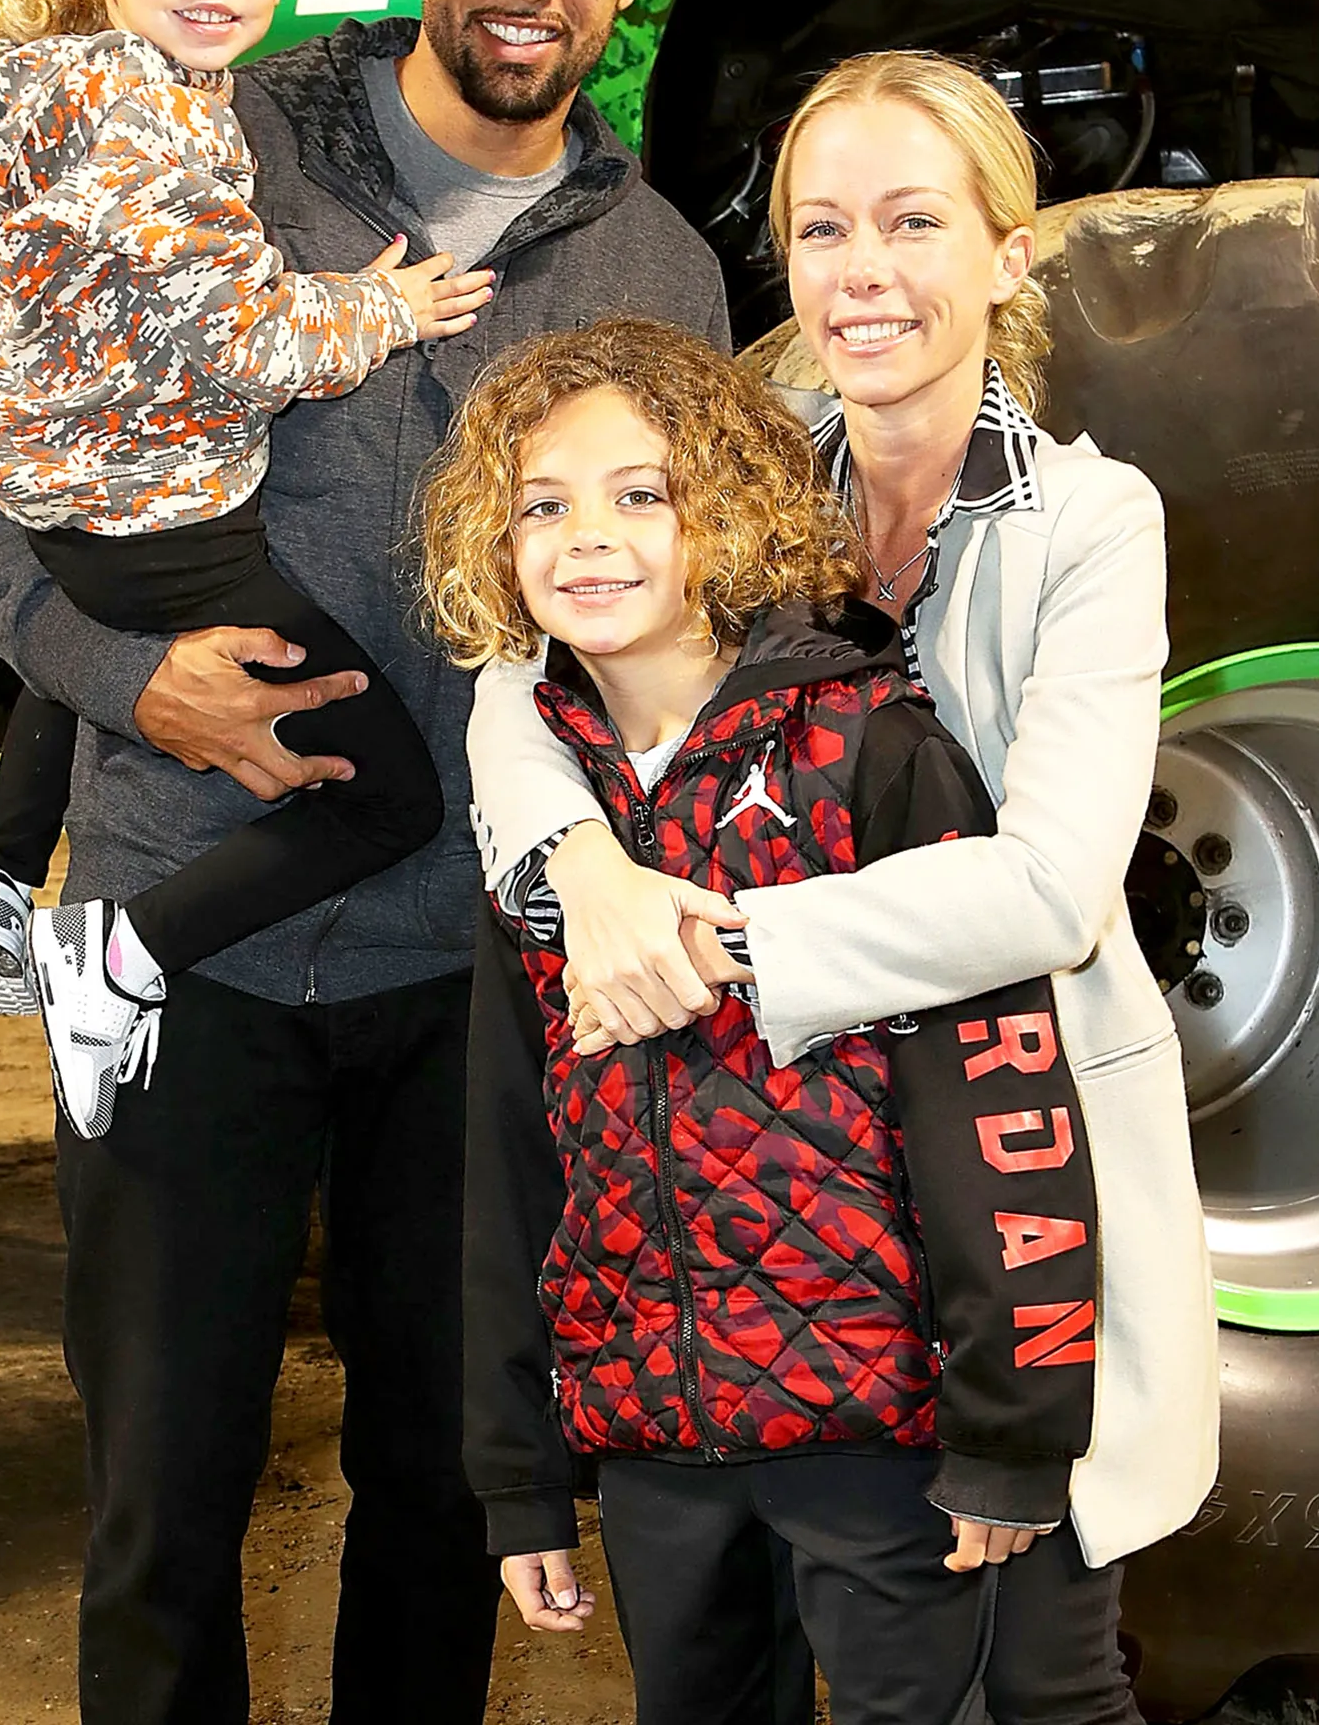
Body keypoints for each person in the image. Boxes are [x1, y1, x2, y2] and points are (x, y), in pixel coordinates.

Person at [0, 0, 732, 1725]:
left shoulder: (663, 280)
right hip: (178, 948)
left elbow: (695, 637)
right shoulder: (202, 137)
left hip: (473, 985)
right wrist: (135, 687)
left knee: (443, 1497)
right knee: (162, 1503)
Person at [465, 54, 1220, 1719]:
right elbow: (521, 676)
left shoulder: (1089, 522)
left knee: (1045, 1667)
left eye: (913, 222)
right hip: (797, 1204)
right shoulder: (743, 469)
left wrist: (704, 938)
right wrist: (582, 866)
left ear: (1009, 252)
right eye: (821, 230)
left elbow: (1047, 892)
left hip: (1010, 1171)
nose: (862, 271)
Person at [423, 318, 1109, 1725]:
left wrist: (1010, 1435)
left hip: (886, 1441)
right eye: (541, 506)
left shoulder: (873, 751)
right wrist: (519, 1475)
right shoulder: (540, 831)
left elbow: (999, 1113)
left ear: (728, 513)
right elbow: (508, 1159)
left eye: (640, 495)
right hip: (659, 1446)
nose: (586, 539)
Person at [0, 0, 492, 1136]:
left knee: (102, 611)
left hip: (84, 506)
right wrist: (387, 307)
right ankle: (117, 953)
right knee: (390, 795)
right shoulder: (150, 117)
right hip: (162, 522)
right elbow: (255, 341)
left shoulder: (70, 87)